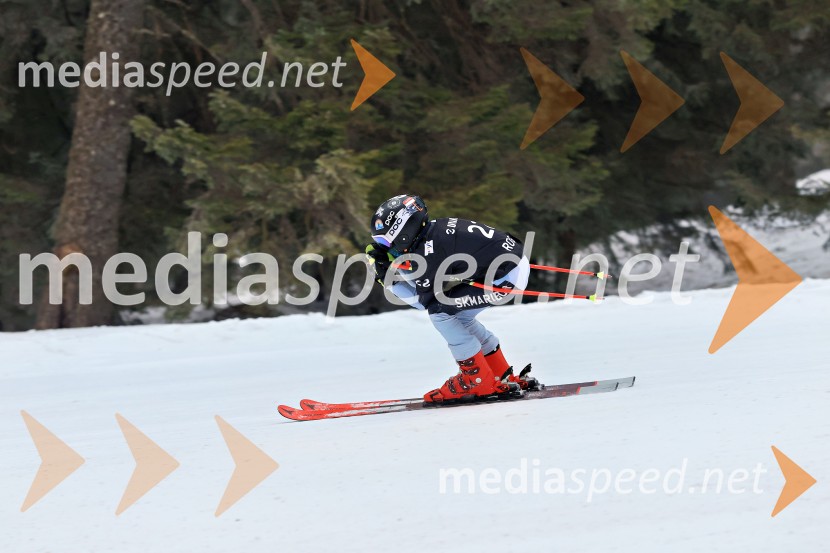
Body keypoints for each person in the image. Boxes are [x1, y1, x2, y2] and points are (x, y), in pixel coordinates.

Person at [365, 194, 532, 404]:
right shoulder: (431, 232)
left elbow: (422, 301)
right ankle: (499, 373)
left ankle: (476, 378)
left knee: (440, 313)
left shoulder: (429, 251)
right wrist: (398, 262)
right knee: (457, 314)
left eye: (386, 240)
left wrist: (388, 279)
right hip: (511, 266)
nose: (387, 247)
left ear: (405, 233)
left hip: (505, 279)